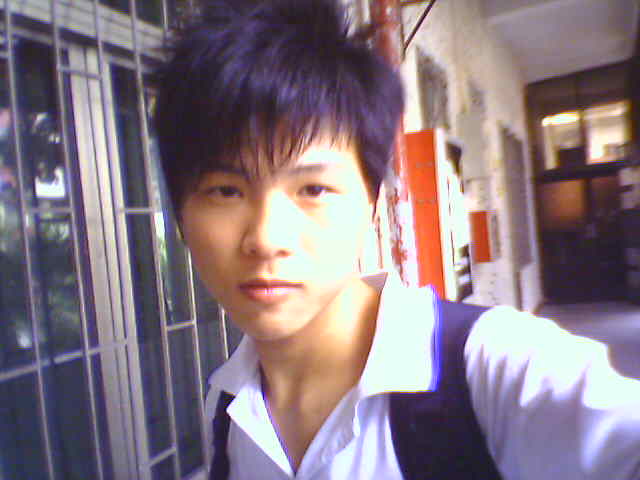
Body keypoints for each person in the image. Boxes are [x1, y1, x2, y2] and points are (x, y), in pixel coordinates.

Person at [153, 0, 640, 478]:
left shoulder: (496, 370)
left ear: (371, 203)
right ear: (180, 214)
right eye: (226, 191)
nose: (265, 239)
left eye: (313, 189)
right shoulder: (227, 407)